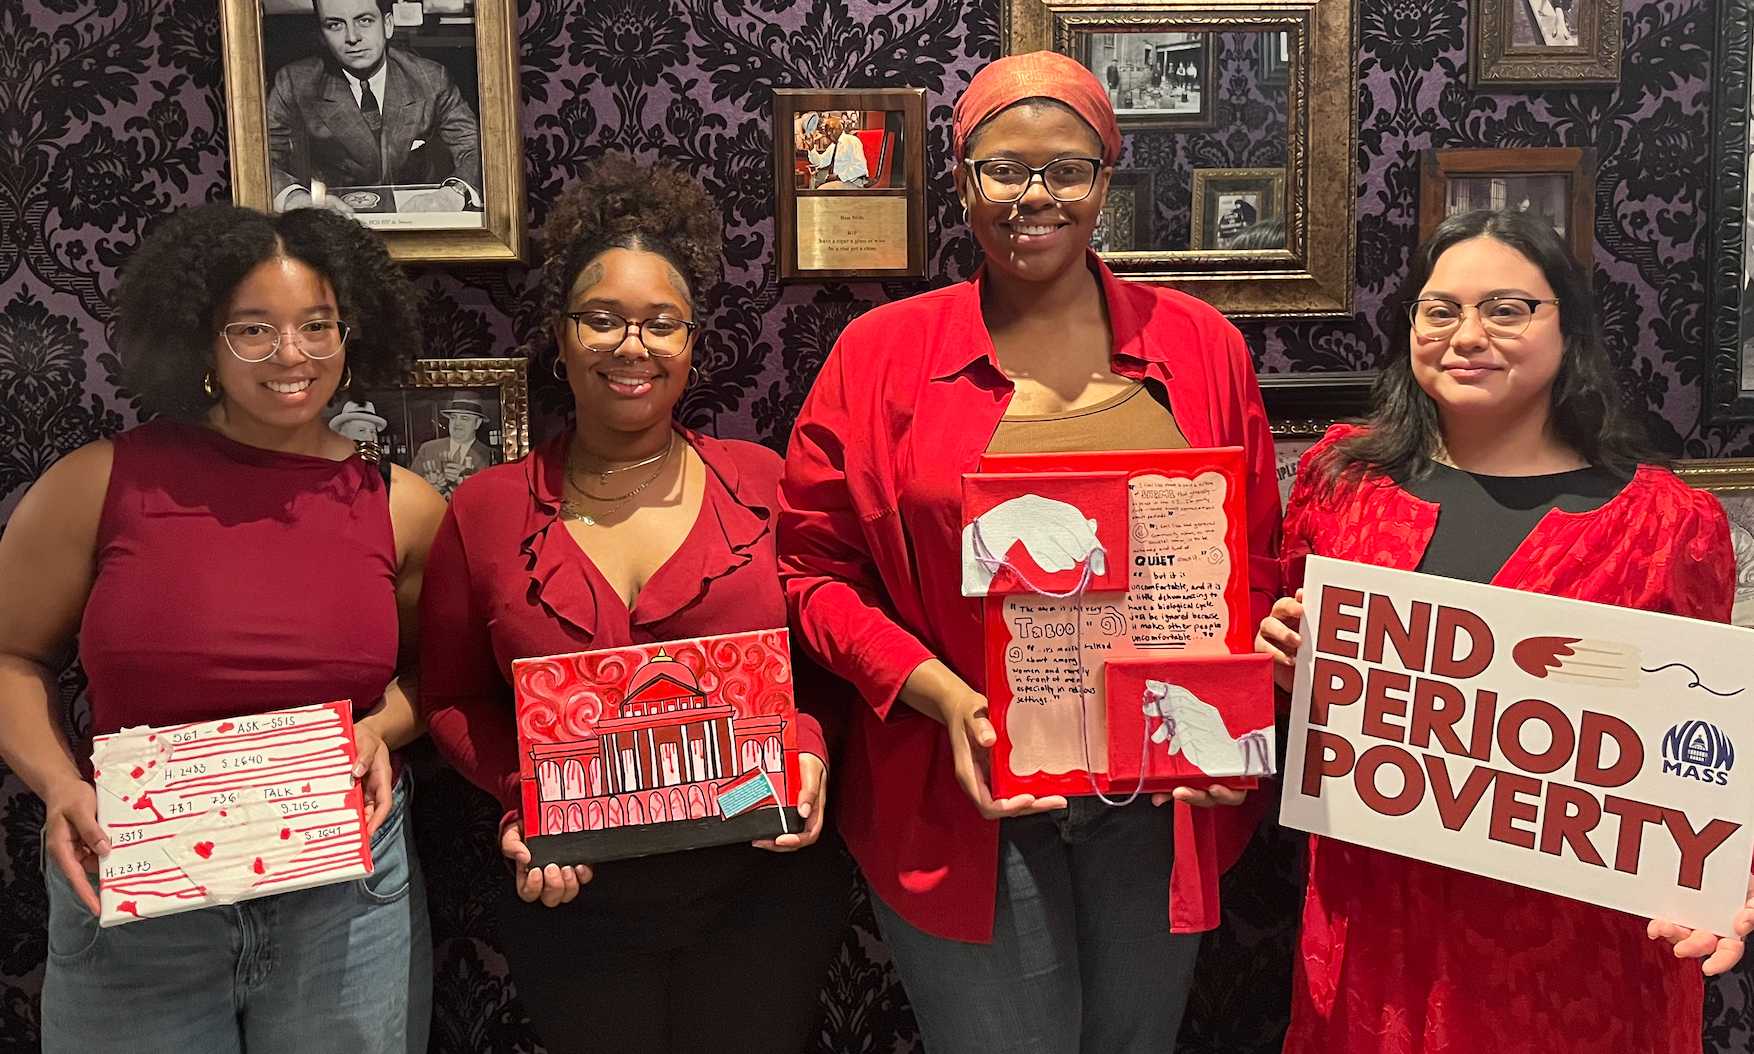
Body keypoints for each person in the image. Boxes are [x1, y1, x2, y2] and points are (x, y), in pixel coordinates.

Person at [777, 51, 1280, 1053]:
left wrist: (1233, 713)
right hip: (962, 787)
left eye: (1066, 169)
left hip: (1156, 794)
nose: (1033, 195)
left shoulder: (1200, 346)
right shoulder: (879, 355)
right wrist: (939, 695)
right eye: (1003, 168)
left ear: (1106, 178)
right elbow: (812, 573)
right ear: (960, 180)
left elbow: (1256, 559)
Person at [1257, 208, 1754, 1054]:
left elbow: (1707, 744)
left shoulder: (1669, 525)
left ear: (1571, 327)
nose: (1467, 335)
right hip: (1381, 932)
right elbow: (1296, 679)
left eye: (1508, 309)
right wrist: (1285, 663)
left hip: (1582, 956)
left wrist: (1726, 876)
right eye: (1439, 309)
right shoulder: (1341, 483)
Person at [417, 152, 848, 1054]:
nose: (632, 346)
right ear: (561, 333)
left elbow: (827, 666)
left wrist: (805, 753)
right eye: (602, 319)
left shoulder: (765, 486)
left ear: (693, 343)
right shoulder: (487, 509)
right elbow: (453, 696)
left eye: (663, 324)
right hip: (574, 899)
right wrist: (522, 795)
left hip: (759, 889)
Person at [0, 203, 447, 1052]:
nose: (292, 356)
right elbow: (10, 655)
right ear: (201, 339)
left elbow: (441, 674)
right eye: (254, 329)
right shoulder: (99, 484)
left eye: (319, 326)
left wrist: (383, 727)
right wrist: (60, 785)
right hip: (134, 889)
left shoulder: (404, 507)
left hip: (342, 896)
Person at [267, 0, 482, 215]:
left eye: (365, 21)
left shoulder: (431, 79)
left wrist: (453, 193)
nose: (352, 37)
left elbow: (476, 148)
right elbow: (260, 158)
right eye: (335, 25)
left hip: (415, 218)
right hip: (333, 222)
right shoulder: (295, 82)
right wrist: (295, 198)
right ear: (322, 35)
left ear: (387, 25)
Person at [409, 394, 493, 498]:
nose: (457, 423)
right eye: (453, 417)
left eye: (464, 418)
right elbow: (409, 487)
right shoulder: (427, 449)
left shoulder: (489, 455)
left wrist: (465, 480)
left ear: (477, 423)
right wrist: (427, 486)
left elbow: (492, 495)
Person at [806, 113, 870, 189]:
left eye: (831, 129)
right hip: (839, 182)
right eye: (826, 131)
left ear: (840, 128)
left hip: (854, 182)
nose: (829, 133)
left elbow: (860, 168)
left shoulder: (851, 141)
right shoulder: (833, 146)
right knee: (813, 186)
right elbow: (820, 162)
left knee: (822, 190)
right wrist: (811, 148)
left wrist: (838, 176)